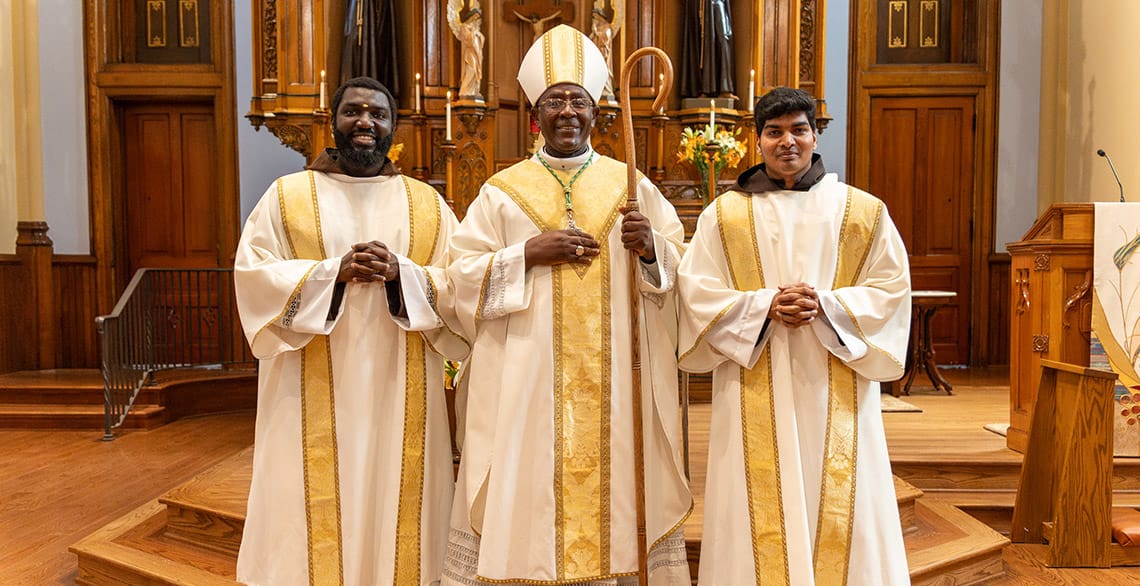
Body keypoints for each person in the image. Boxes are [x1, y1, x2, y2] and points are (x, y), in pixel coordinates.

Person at [442, 25, 692, 586]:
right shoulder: (502, 191)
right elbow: (458, 279)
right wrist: (526, 254)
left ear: (597, 111)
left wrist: (652, 249)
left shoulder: (632, 186)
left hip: (615, 382)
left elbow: (681, 271)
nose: (567, 111)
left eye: (578, 99)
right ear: (536, 114)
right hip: (525, 379)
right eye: (554, 100)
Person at [234, 76, 468, 586]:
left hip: (401, 390)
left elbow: (459, 285)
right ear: (333, 121)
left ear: (393, 127)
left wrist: (400, 274)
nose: (366, 122)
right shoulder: (287, 196)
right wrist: (329, 274)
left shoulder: (425, 203)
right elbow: (253, 277)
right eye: (354, 112)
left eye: (378, 114)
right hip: (305, 389)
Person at [677, 87, 912, 585]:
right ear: (757, 140)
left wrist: (825, 306)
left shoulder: (862, 211)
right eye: (774, 131)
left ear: (815, 134)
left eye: (798, 129)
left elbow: (891, 289)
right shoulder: (725, 214)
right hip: (754, 378)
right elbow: (696, 292)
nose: (787, 141)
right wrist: (764, 305)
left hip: (836, 379)